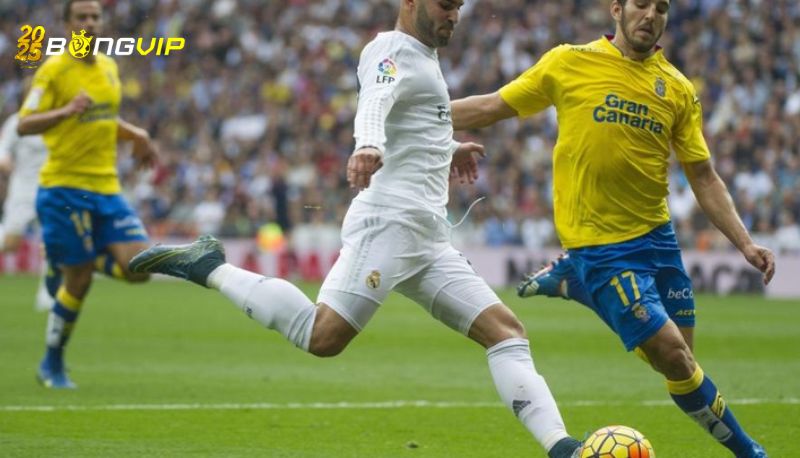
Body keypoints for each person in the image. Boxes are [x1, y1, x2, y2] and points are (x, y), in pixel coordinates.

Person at [130, 0, 583, 456]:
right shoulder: (391, 48)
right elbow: (376, 100)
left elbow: (414, 125)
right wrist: (367, 144)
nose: (454, 15)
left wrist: (448, 148)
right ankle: (210, 266)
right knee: (321, 337)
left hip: (426, 239)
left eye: (458, 7)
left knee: (506, 332)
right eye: (445, 5)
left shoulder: (425, 58)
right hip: (389, 224)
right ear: (411, 3)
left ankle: (562, 447)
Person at [449, 1, 773, 457]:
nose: (651, 15)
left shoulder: (677, 88)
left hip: (658, 238)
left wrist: (744, 242)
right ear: (616, 8)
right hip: (600, 246)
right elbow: (491, 106)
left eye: (662, 7)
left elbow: (703, 175)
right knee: (674, 355)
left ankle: (575, 285)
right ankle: (751, 452)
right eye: (641, 4)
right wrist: (414, 112)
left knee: (681, 364)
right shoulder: (569, 62)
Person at [18, 0, 158, 389]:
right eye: (81, 17)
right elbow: (24, 124)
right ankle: (52, 363)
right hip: (63, 186)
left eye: (95, 17)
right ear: (66, 25)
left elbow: (103, 119)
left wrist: (138, 134)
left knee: (140, 268)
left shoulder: (109, 67)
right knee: (78, 282)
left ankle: (78, 260)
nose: (90, 23)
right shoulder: (53, 70)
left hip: (106, 187)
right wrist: (64, 111)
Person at [0, 104, 52, 311]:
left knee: (51, 242)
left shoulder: (55, 121)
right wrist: (7, 164)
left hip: (50, 189)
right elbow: (3, 152)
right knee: (11, 244)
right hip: (22, 191)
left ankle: (47, 294)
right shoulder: (16, 122)